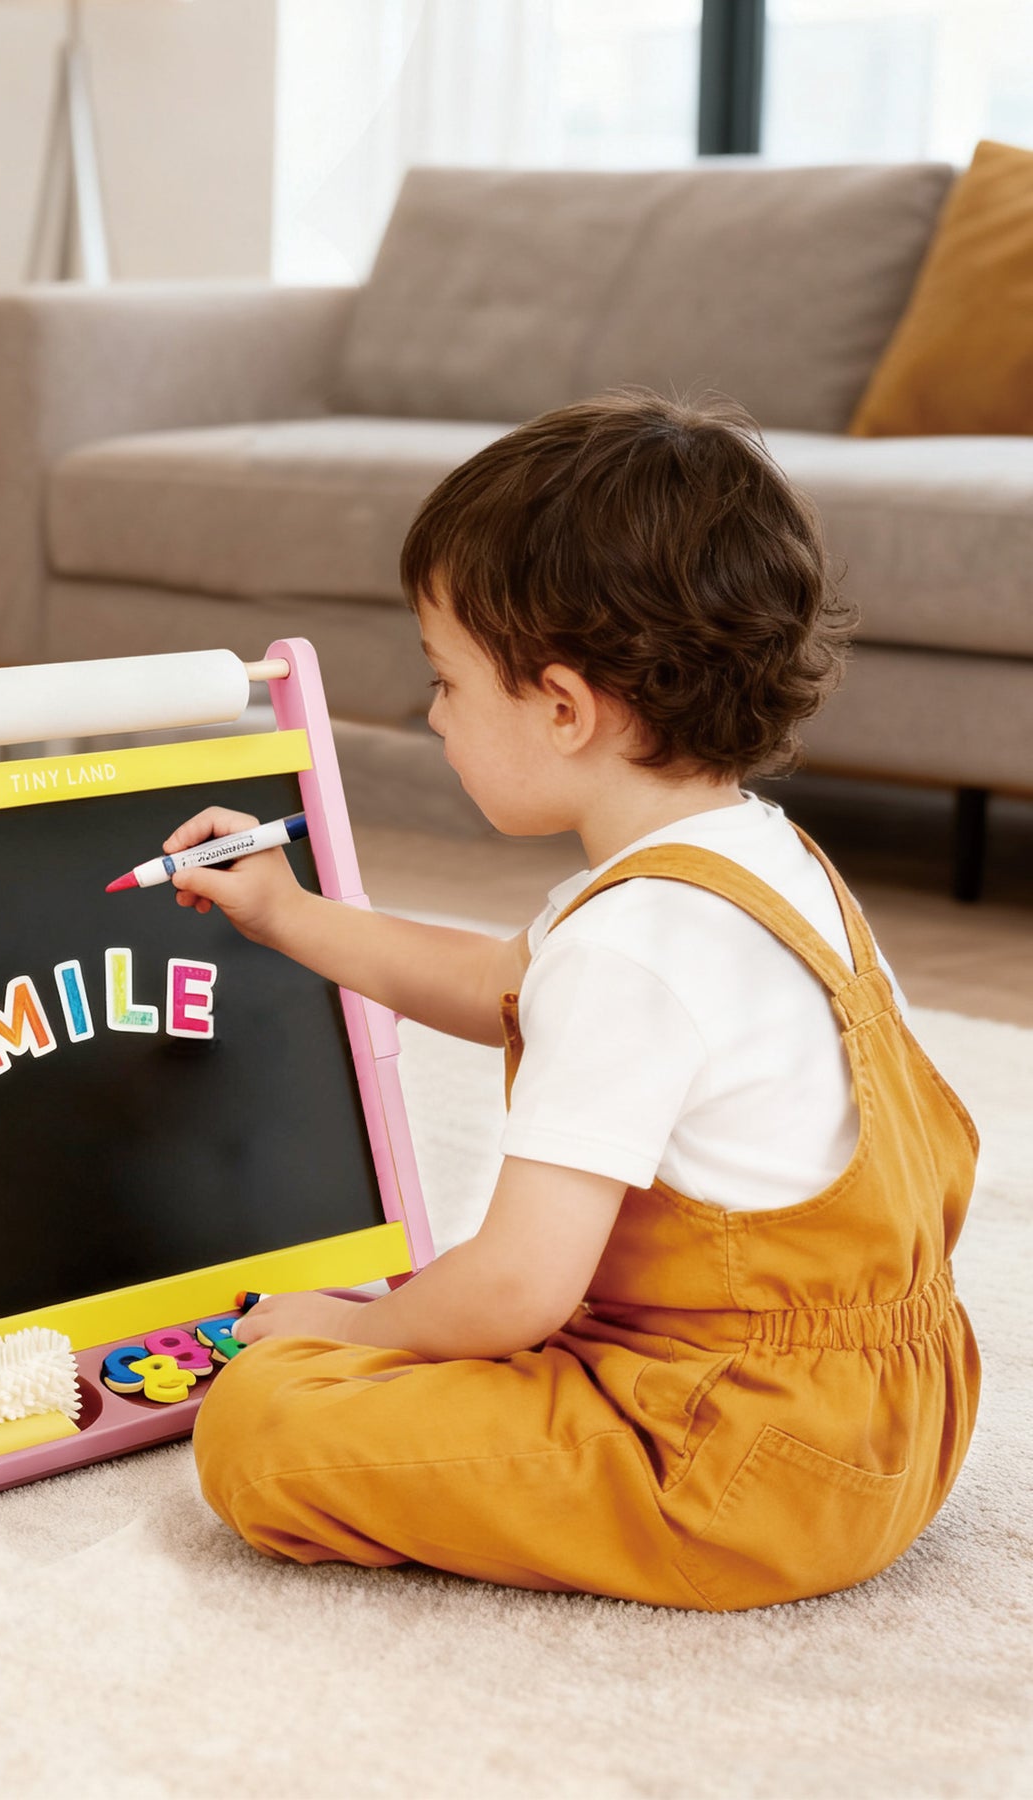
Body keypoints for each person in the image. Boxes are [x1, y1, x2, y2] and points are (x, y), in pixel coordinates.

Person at [179, 391, 980, 1611]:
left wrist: (345, 1332)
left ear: (562, 707)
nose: (431, 715)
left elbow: (517, 1289)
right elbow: (498, 985)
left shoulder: (632, 951)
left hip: (735, 1457)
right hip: (891, 1417)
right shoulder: (754, 859)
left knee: (262, 1426)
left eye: (444, 682)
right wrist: (287, 912)